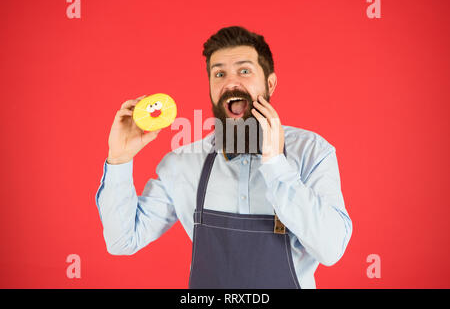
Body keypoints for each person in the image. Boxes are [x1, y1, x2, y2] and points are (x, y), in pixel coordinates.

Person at [95, 26, 352, 289]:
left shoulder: (312, 152)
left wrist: (276, 165)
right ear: (210, 86)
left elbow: (330, 249)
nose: (230, 83)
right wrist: (119, 160)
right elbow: (122, 242)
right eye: (219, 74)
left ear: (270, 83)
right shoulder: (183, 163)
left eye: (244, 71)